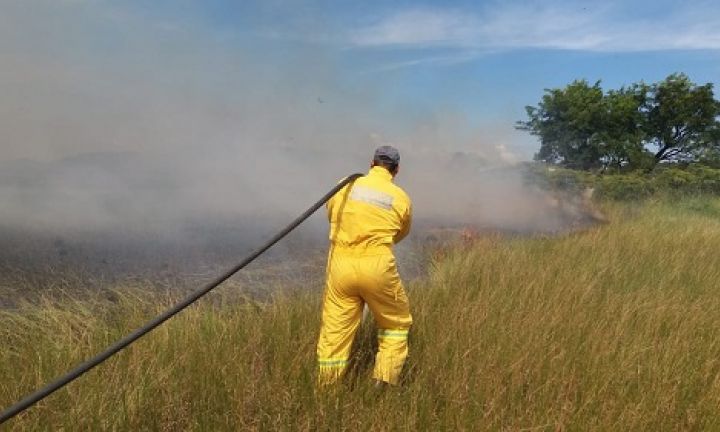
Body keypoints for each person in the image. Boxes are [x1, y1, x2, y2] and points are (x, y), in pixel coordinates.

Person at [316, 145, 413, 386]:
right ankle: (383, 382)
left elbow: (332, 215)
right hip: (377, 265)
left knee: (335, 329)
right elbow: (400, 233)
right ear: (396, 169)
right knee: (395, 323)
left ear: (371, 163)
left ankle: (327, 387)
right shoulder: (400, 197)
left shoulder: (346, 185)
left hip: (340, 264)